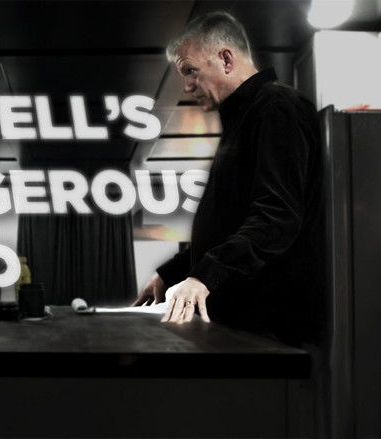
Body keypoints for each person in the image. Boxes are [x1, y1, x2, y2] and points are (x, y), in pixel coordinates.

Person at [132, 12, 324, 347]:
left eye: (190, 70)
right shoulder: (244, 120)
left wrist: (204, 276)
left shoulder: (276, 107)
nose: (187, 86)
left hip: (267, 330)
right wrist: (170, 273)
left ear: (225, 59)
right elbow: (228, 226)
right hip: (242, 326)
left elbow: (276, 218)